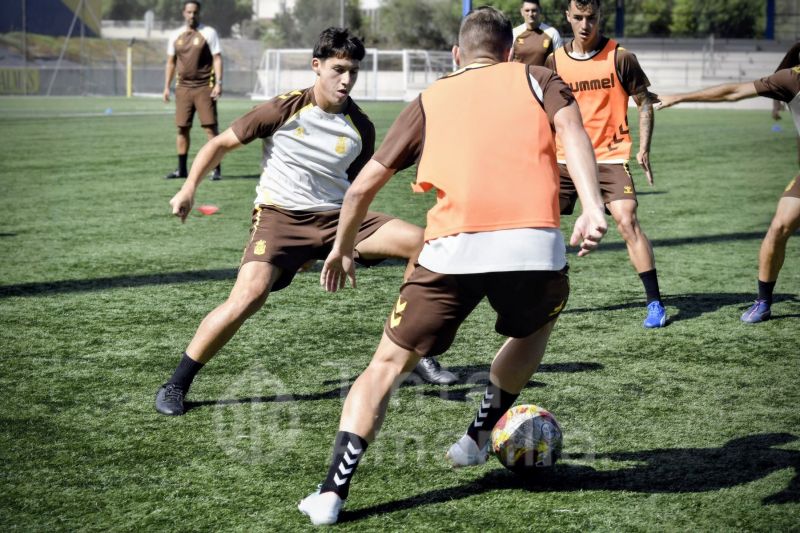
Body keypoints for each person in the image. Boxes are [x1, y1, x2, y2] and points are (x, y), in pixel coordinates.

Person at [297, 7, 607, 526]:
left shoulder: (431, 97)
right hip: (532, 245)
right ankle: (479, 434)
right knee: (536, 324)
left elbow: (360, 190)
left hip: (452, 247)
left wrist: (341, 248)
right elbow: (574, 134)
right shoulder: (538, 76)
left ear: (456, 56)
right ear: (509, 51)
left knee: (384, 367)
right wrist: (594, 207)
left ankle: (331, 493)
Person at [154, 27, 446, 417]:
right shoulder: (283, 108)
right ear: (316, 66)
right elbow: (219, 143)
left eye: (353, 72)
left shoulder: (361, 126)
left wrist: (339, 242)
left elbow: (359, 188)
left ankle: (414, 348)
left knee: (424, 245)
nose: (346, 80)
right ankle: (176, 383)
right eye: (338, 69)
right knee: (248, 297)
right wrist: (189, 188)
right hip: (279, 218)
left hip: (337, 218)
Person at [544, 0, 667, 328]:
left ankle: (655, 302)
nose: (586, 25)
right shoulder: (553, 60)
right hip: (565, 158)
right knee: (540, 222)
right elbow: (543, 111)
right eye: (579, 18)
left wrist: (644, 148)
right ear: (568, 17)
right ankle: (544, 291)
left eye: (592, 18)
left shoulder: (621, 57)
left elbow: (644, 102)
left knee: (627, 221)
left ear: (600, 17)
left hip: (610, 158)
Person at [658, 67, 800, 323]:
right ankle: (764, 302)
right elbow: (734, 92)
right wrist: (681, 97)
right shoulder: (792, 78)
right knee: (778, 228)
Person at [163, 0, 223, 181]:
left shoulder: (209, 33)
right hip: (183, 88)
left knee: (210, 129)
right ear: (184, 13)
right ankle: (181, 170)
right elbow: (171, 62)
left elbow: (217, 59)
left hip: (205, 87)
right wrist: (166, 86)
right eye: (189, 12)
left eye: (195, 12)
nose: (192, 15)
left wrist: (218, 83)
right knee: (182, 128)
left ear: (199, 13)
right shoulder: (175, 35)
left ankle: (216, 169)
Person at [512, 0, 563, 66]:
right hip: (519, 76)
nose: (530, 14)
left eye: (534, 10)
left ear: (540, 10)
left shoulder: (552, 33)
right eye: (527, 10)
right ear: (522, 12)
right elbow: (507, 60)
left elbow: (560, 60)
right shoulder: (514, 33)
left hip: (544, 76)